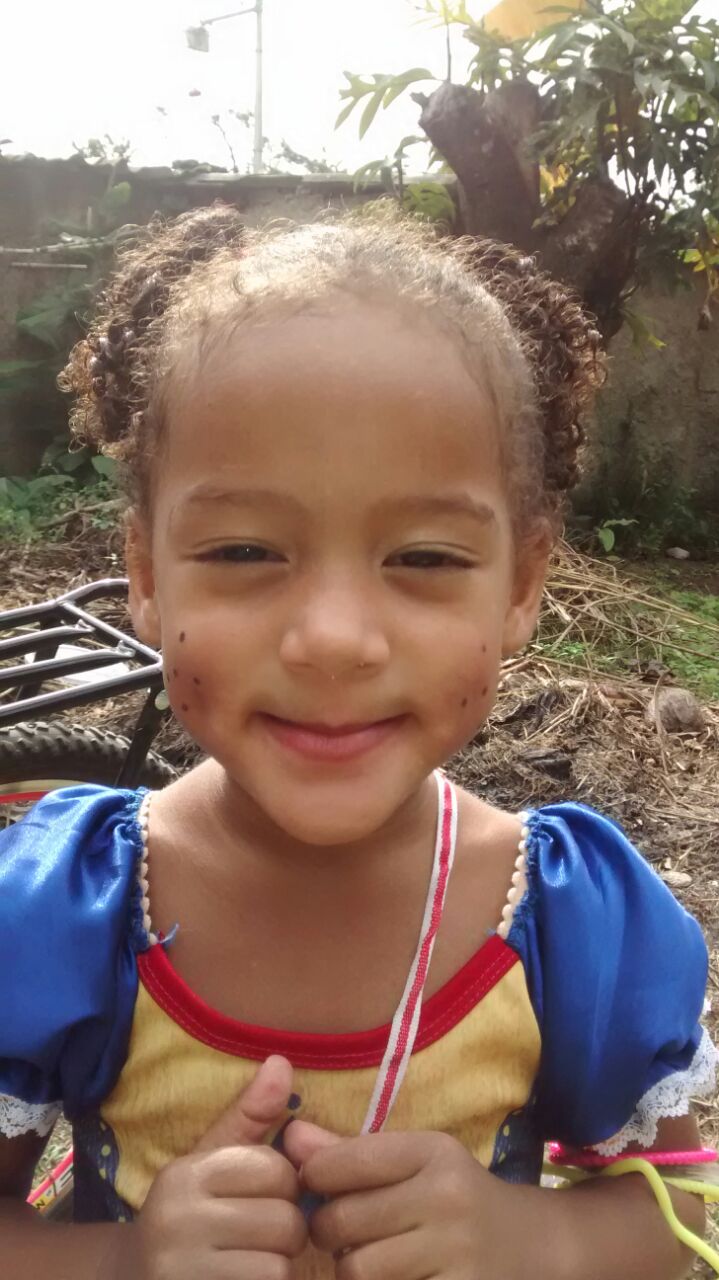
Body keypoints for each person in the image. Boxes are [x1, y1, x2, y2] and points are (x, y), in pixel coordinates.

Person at [0, 205, 716, 1280]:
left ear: (520, 585)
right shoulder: (62, 910)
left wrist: (535, 1236)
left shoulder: (570, 921)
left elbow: (682, 1203)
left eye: (423, 557)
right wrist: (121, 1260)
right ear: (145, 575)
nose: (333, 639)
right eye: (244, 550)